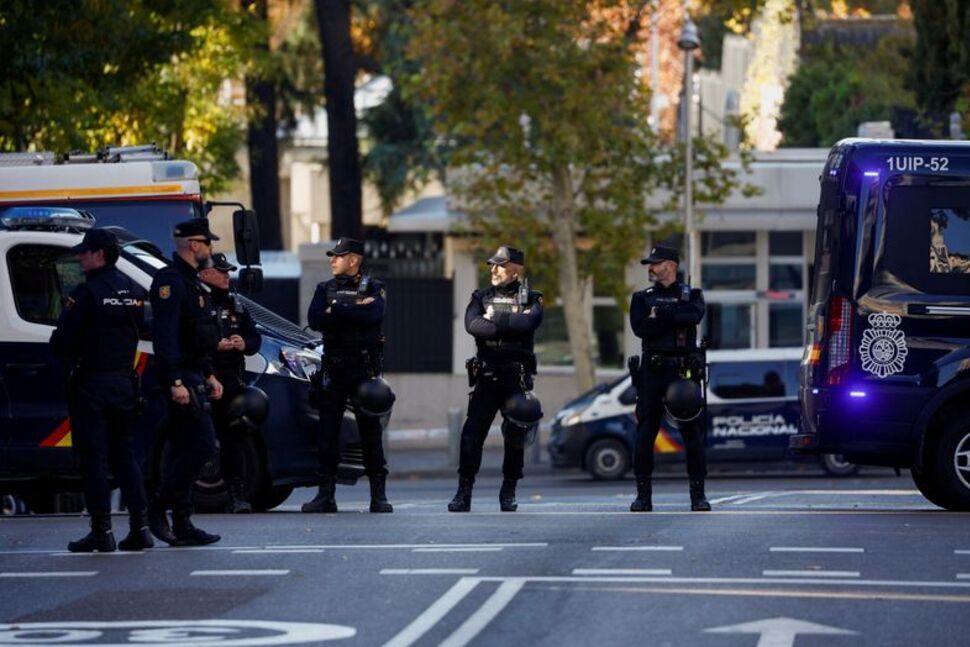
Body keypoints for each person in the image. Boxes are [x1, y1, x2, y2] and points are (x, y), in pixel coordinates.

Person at [50, 228, 153, 552]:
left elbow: (62, 342)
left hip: (92, 384)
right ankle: (141, 527)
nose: (80, 257)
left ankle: (101, 531)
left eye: (85, 252)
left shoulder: (86, 294)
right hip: (124, 383)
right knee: (125, 456)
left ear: (100, 254)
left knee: (93, 459)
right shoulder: (134, 291)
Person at [448, 246, 544, 512]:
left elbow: (529, 324)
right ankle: (463, 491)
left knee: (515, 436)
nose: (493, 269)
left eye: (500, 265)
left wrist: (496, 318)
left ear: (515, 269)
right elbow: (473, 325)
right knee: (471, 435)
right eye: (493, 264)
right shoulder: (481, 296)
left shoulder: (532, 298)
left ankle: (509, 491)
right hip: (487, 375)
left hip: (516, 376)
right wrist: (511, 321)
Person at [302, 237, 394, 514]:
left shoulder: (375, 288)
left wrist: (338, 309)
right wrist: (355, 309)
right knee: (328, 432)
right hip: (334, 370)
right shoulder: (324, 288)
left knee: (370, 433)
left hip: (363, 371)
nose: (332, 260)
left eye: (339, 256)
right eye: (332, 256)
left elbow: (373, 315)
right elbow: (316, 319)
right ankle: (325, 495)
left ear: (354, 260)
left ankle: (378, 496)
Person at [148, 219, 224, 545]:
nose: (211, 250)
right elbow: (165, 338)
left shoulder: (192, 283)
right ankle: (159, 506)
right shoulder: (170, 282)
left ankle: (182, 523)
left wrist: (209, 373)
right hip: (179, 378)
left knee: (183, 448)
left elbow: (196, 337)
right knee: (203, 445)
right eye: (208, 243)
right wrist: (175, 381)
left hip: (194, 374)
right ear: (194, 245)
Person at [629, 245, 710, 512]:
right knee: (645, 432)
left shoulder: (692, 294)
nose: (650, 268)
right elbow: (642, 328)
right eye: (649, 264)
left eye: (655, 263)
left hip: (683, 370)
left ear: (671, 266)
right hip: (652, 371)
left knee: (692, 433)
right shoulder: (642, 297)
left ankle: (698, 496)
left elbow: (694, 315)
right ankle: (643, 496)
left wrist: (660, 314)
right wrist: (675, 315)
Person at [199, 253, 262, 513]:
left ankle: (237, 496)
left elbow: (254, 338)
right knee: (199, 440)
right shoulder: (198, 302)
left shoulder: (235, 304)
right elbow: (189, 340)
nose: (227, 276)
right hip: (204, 381)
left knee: (234, 440)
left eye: (228, 271)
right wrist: (214, 345)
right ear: (205, 274)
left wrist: (243, 343)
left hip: (231, 381)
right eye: (221, 271)